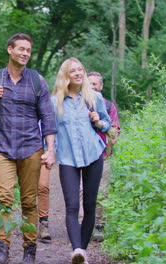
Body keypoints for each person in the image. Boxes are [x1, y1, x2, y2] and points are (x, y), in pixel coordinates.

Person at [0, 33, 57, 264]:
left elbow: (48, 118)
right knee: (4, 199)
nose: (25, 53)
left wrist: (49, 150)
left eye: (28, 50)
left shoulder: (36, 80)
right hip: (2, 148)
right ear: (9, 50)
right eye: (21, 49)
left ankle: (29, 251)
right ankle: (1, 250)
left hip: (31, 149)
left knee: (30, 201)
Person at [51, 58, 111, 264]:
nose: (77, 73)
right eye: (72, 71)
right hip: (68, 158)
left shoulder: (94, 97)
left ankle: (81, 253)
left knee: (90, 205)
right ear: (65, 76)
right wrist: (50, 151)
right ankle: (76, 249)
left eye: (80, 70)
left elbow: (106, 124)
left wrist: (98, 120)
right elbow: (49, 131)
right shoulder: (55, 102)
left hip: (94, 155)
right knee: (72, 205)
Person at [87, 71, 121, 242]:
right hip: (82, 157)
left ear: (100, 86)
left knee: (101, 193)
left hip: (103, 156)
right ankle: (82, 226)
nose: (92, 87)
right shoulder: (77, 104)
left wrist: (100, 123)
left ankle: (99, 225)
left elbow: (116, 133)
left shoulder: (109, 107)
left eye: (95, 84)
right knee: (81, 192)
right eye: (89, 83)